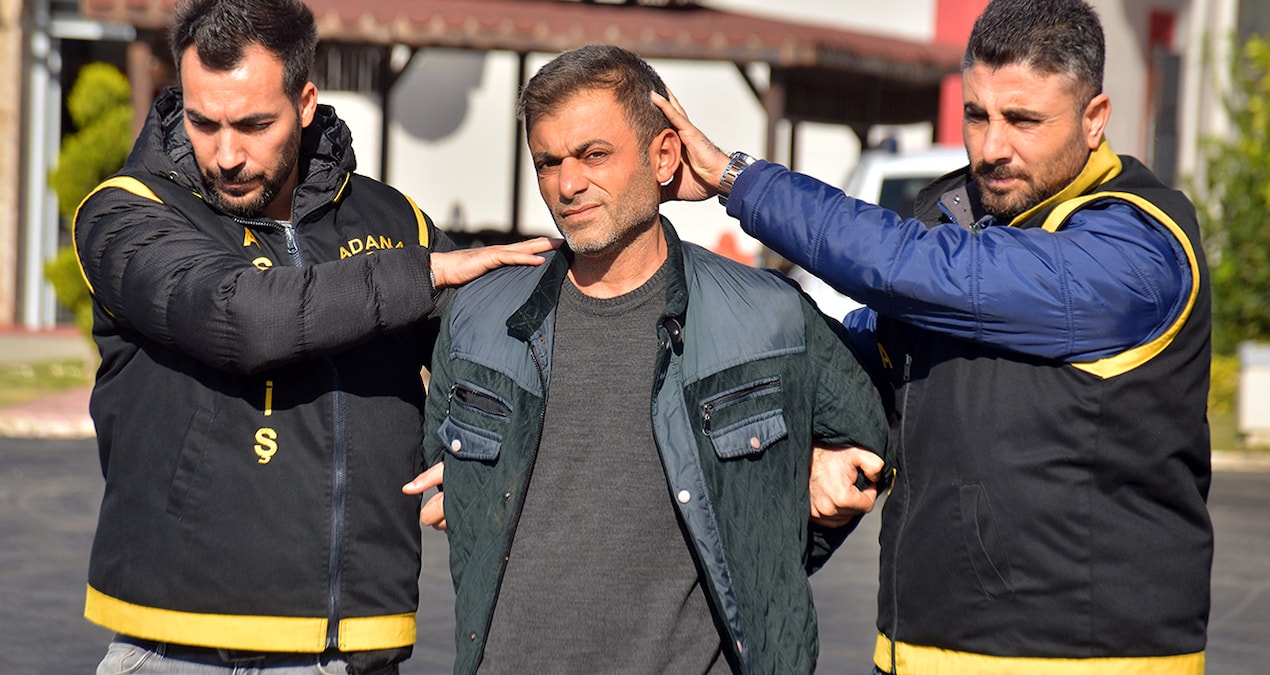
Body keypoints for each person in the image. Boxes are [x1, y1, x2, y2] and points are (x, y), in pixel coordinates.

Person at [652, 0, 1213, 672]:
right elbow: (858, 361)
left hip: (1085, 661)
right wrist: (829, 439)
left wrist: (739, 180)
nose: (992, 147)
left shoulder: (1135, 249)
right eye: (977, 115)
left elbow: (918, 269)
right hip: (917, 651)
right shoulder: (961, 223)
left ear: (1094, 119)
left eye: (1024, 120)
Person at [74, 0, 555, 672]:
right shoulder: (125, 214)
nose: (226, 154)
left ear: (304, 103)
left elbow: (496, 344)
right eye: (202, 121)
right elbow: (242, 318)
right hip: (179, 650)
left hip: (360, 647)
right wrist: (425, 273)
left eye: (254, 124)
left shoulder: (394, 219)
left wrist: (481, 447)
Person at [404, 45, 889, 674]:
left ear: (663, 157)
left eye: (593, 155)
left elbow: (871, 435)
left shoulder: (767, 316)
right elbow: (447, 470)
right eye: (548, 162)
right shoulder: (479, 319)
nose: (567, 185)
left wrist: (784, 513)